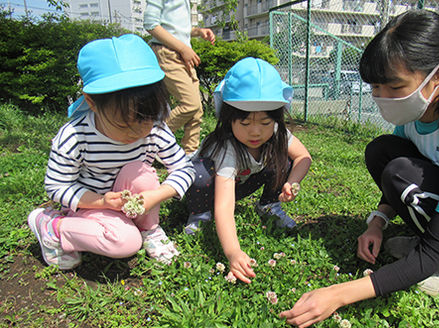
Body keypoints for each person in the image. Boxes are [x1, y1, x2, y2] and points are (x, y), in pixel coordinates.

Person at [280, 9, 439, 328]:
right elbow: (399, 171)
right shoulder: (421, 111)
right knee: (383, 151)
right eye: (376, 88)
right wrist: (378, 221)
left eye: (395, 87)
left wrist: (339, 294)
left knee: (402, 175)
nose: (382, 98)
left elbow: (426, 252)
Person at [27, 34, 195, 270]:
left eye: (144, 121)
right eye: (124, 125)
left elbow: (184, 167)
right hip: (91, 204)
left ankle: (149, 228)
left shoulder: (154, 126)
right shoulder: (75, 136)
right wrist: (101, 202)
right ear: (92, 103)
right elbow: (56, 186)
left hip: (127, 202)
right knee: (125, 243)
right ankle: (51, 226)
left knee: (141, 172)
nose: (138, 133)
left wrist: (156, 196)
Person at [185, 57, 312, 283]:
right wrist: (233, 252)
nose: (255, 132)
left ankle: (269, 204)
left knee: (282, 158)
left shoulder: (278, 134)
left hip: (239, 183)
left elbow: (303, 157)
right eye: (244, 123)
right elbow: (225, 205)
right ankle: (200, 214)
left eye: (265, 123)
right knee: (200, 173)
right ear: (228, 119)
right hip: (206, 187)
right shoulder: (226, 148)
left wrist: (292, 182)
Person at [144, 0, 216, 155]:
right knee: (190, 104)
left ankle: (190, 155)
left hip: (182, 54)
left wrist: (198, 32)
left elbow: (176, 30)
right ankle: (149, 140)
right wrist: (183, 48)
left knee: (196, 110)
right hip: (169, 53)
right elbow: (150, 24)